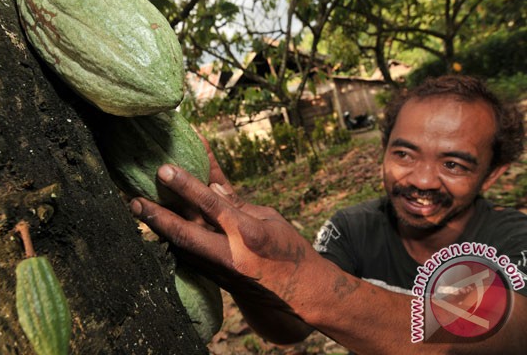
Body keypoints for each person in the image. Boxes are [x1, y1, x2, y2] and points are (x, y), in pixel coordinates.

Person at [129, 75, 527, 354]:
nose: (422, 179)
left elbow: (495, 338)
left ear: (492, 174)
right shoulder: (351, 228)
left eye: (454, 165)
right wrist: (246, 275)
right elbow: (292, 328)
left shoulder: (513, 240)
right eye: (403, 154)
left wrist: (298, 277)